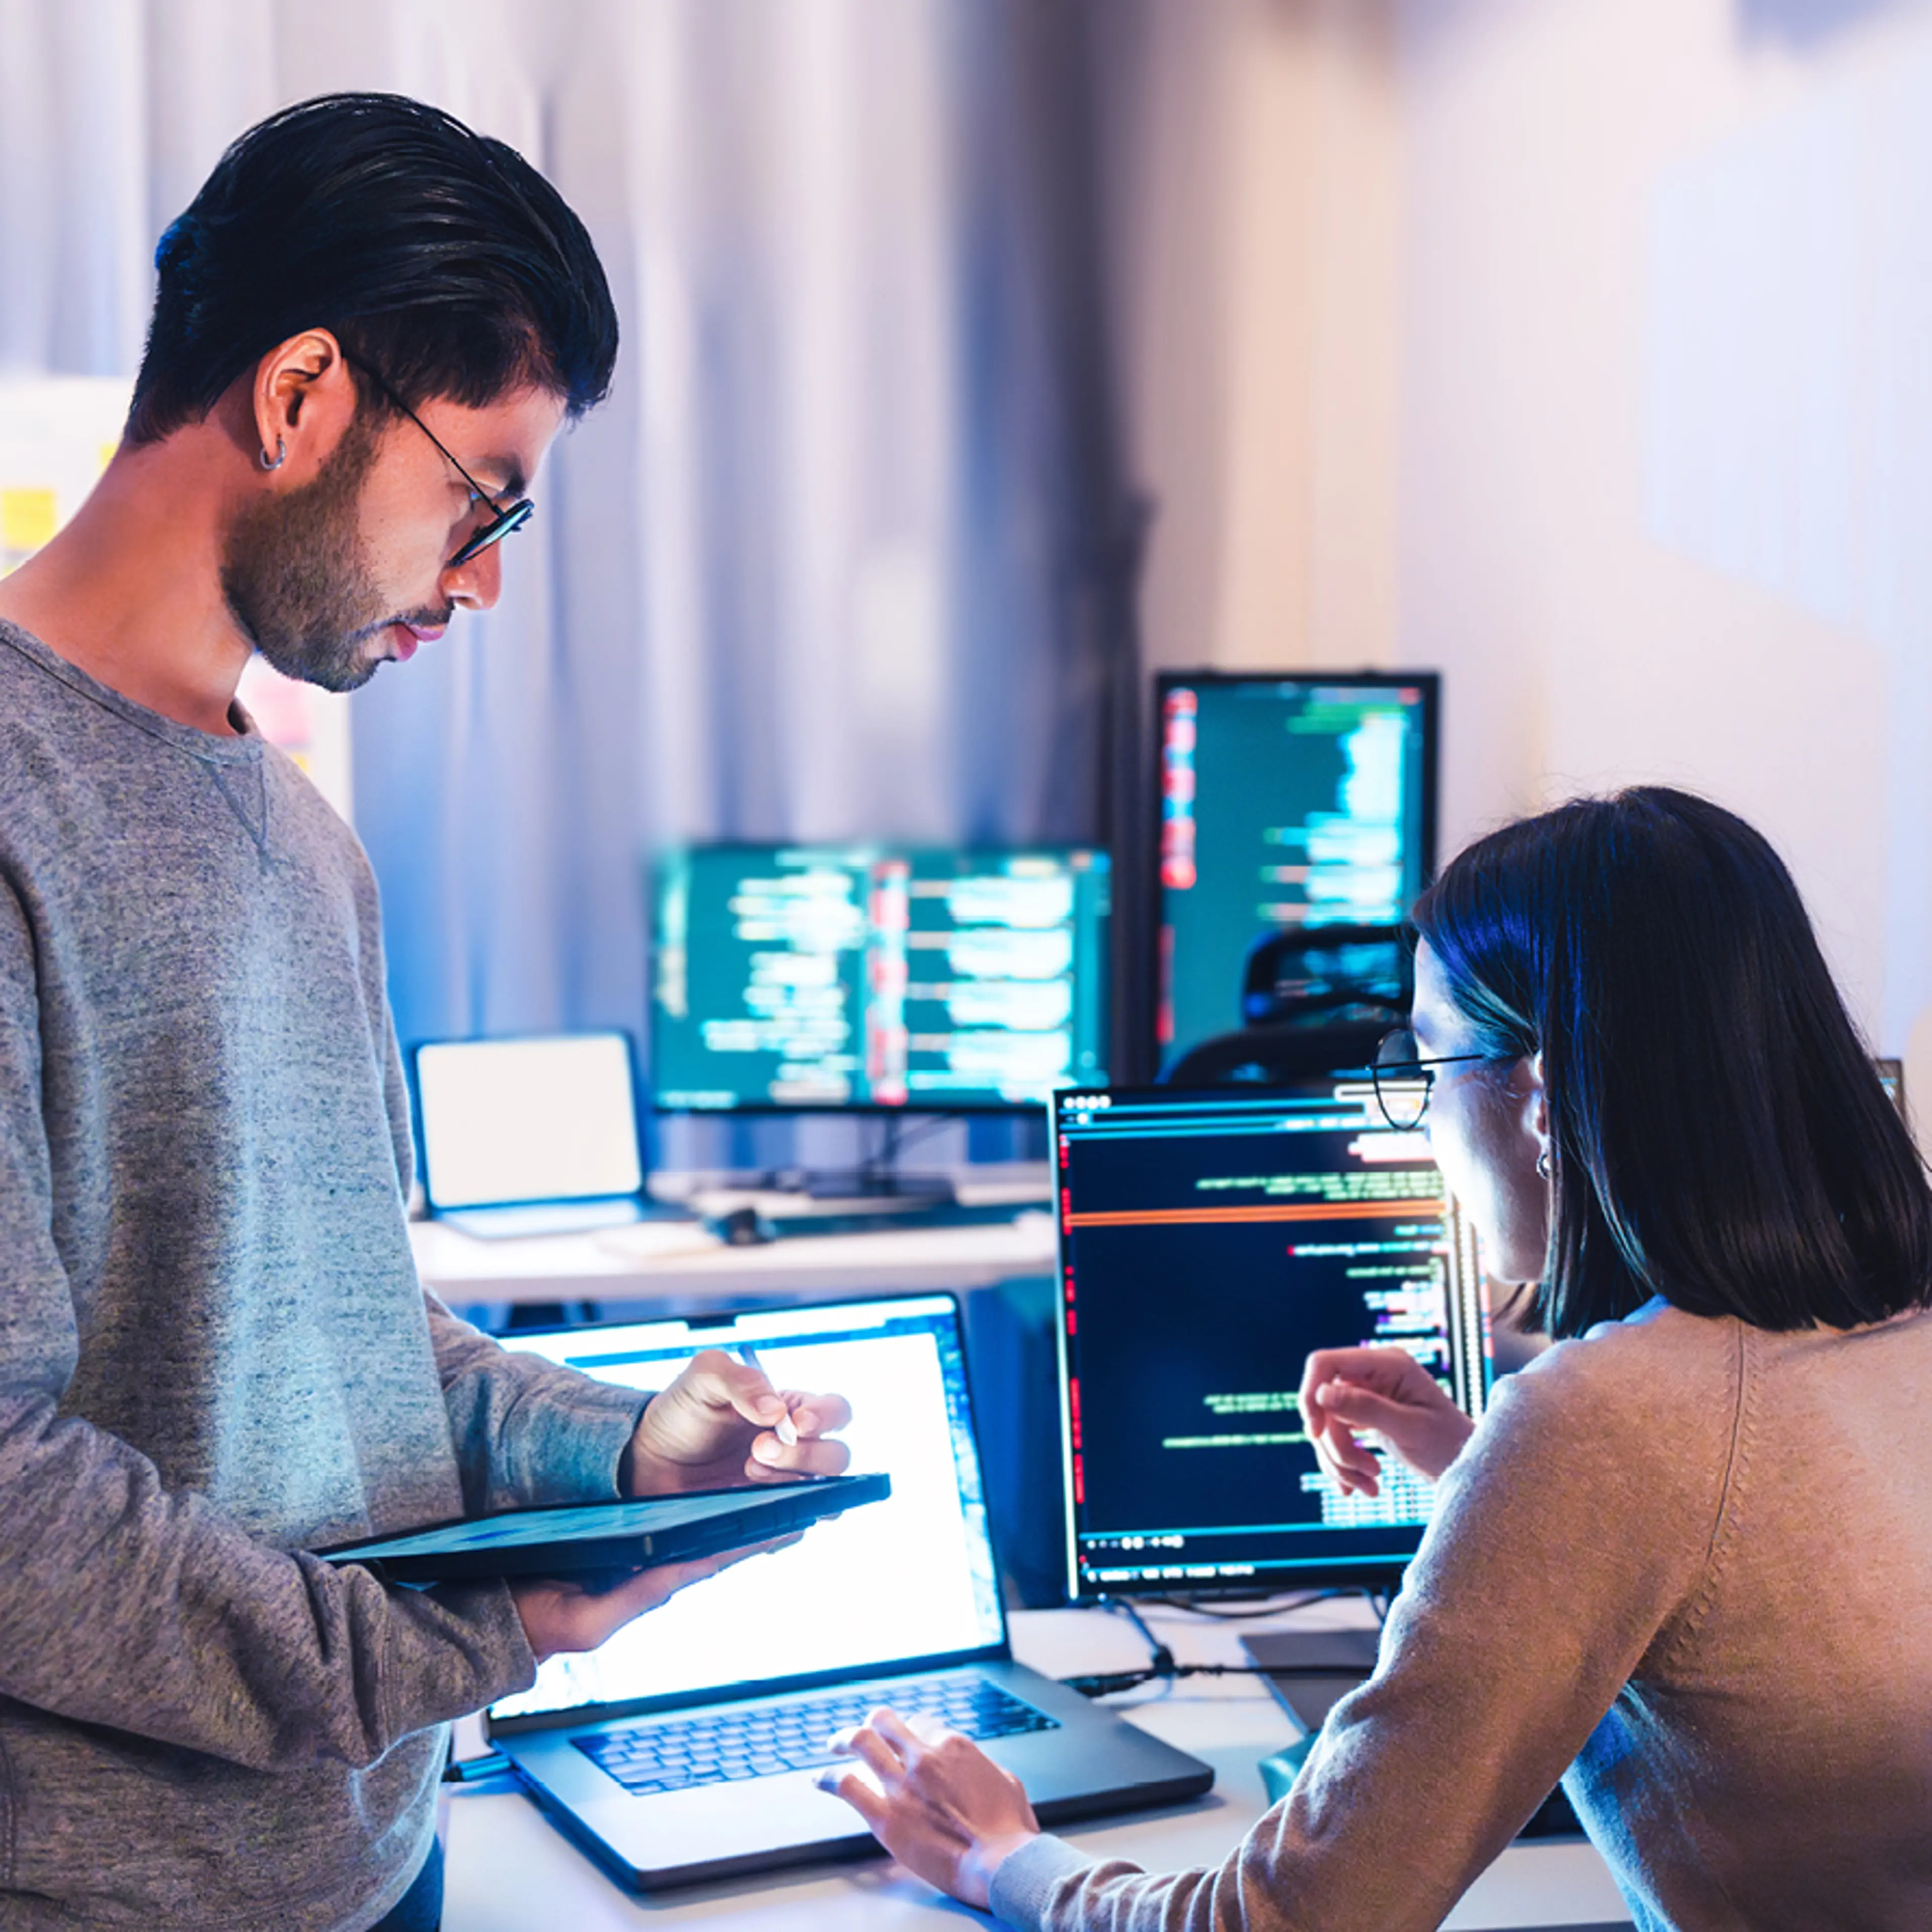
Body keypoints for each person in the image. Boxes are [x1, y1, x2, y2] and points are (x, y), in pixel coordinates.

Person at [0, 95, 849, 1931]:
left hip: (382, 1854)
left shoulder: (307, 838)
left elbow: (367, 1345)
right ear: (303, 393)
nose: (480, 581)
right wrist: (460, 1635)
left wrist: (613, 1450)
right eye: (480, 498)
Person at [826, 786, 1932, 1931]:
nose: (1424, 1119)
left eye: (1427, 1066)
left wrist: (1000, 1858)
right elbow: (1760, 1566)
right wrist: (1477, 1461)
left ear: (1543, 1102)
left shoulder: (1609, 1422)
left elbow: (1302, 1919)